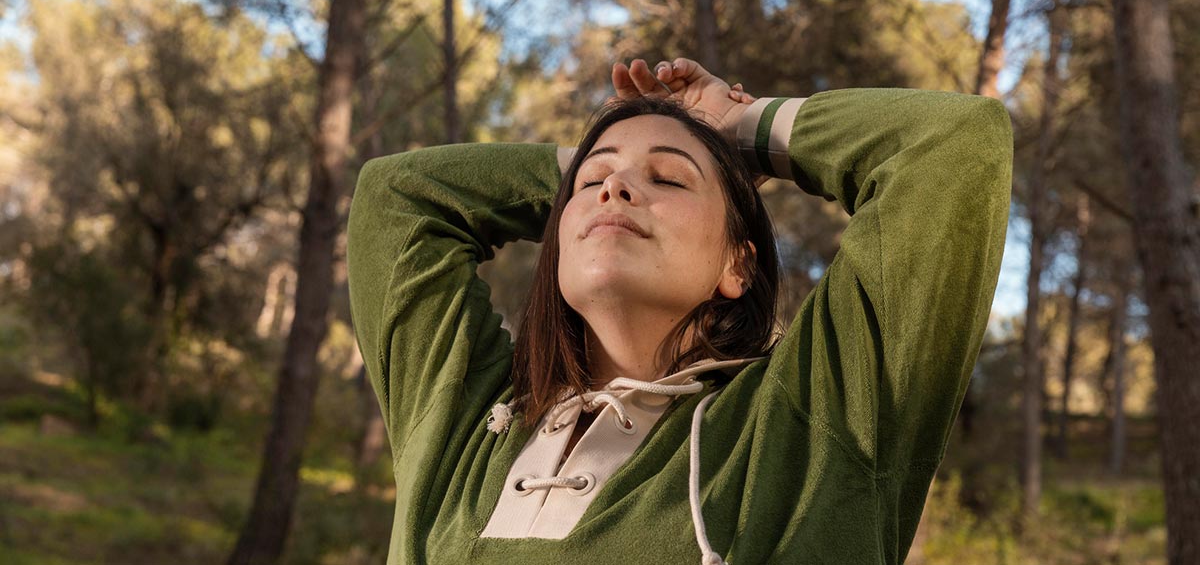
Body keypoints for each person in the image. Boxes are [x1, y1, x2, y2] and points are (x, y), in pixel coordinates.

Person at [346, 57, 1013, 564]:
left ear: (737, 264)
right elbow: (396, 197)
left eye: (667, 179)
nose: (616, 187)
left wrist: (741, 131)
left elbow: (954, 144)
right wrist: (625, 150)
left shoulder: (808, 421)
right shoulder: (463, 420)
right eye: (590, 182)